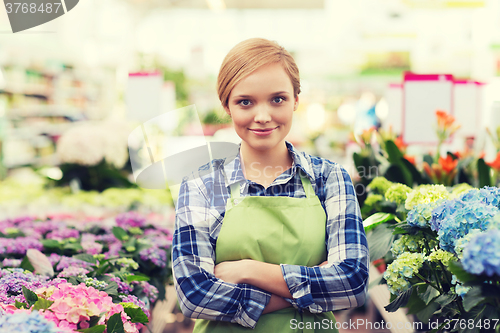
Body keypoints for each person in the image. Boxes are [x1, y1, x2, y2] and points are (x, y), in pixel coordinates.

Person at [172, 38, 369, 333]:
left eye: (277, 99)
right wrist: (312, 285)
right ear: (226, 105)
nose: (262, 117)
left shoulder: (329, 178)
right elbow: (195, 295)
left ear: (296, 101)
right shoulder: (202, 184)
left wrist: (247, 270)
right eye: (245, 102)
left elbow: (352, 282)